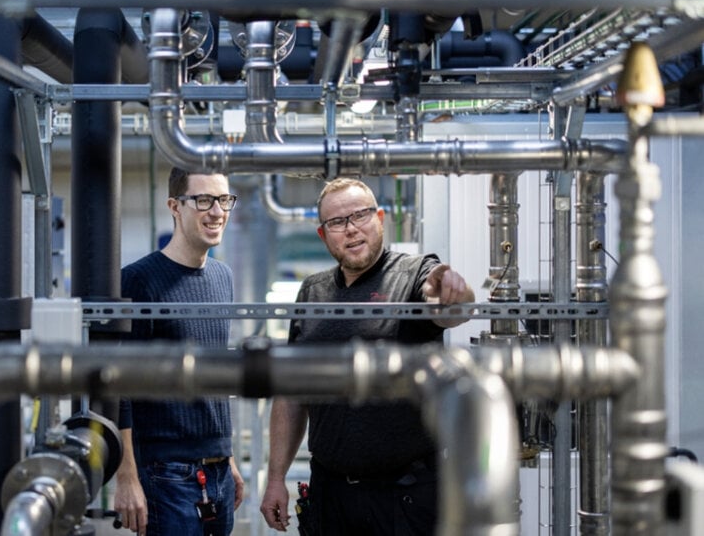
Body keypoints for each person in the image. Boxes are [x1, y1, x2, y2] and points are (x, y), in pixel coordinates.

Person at [259, 177, 475, 536]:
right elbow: (292, 392)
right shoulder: (313, 291)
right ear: (323, 234)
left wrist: (454, 290)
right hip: (330, 493)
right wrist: (275, 477)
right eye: (337, 223)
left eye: (359, 216)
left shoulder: (412, 274)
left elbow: (450, 308)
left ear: (379, 218)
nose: (351, 230)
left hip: (404, 497)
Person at [114, 167, 245, 536]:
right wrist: (127, 476)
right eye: (203, 200)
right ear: (175, 206)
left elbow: (217, 373)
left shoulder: (223, 277)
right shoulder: (139, 280)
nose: (216, 211)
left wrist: (227, 456)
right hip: (165, 472)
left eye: (224, 200)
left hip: (217, 468)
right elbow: (118, 384)